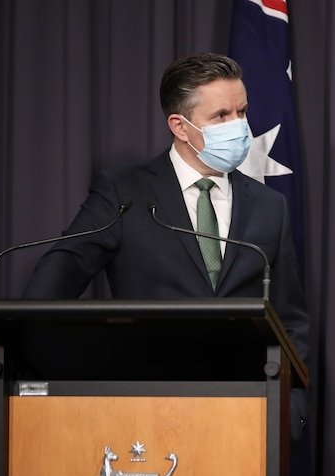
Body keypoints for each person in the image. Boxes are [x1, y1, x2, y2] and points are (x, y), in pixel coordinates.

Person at [21, 52, 310, 430]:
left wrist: (291, 409)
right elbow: (60, 272)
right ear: (180, 125)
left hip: (247, 419)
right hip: (145, 413)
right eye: (221, 116)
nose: (239, 126)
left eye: (242, 112)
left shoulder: (271, 207)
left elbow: (291, 321)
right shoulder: (124, 192)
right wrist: (12, 342)